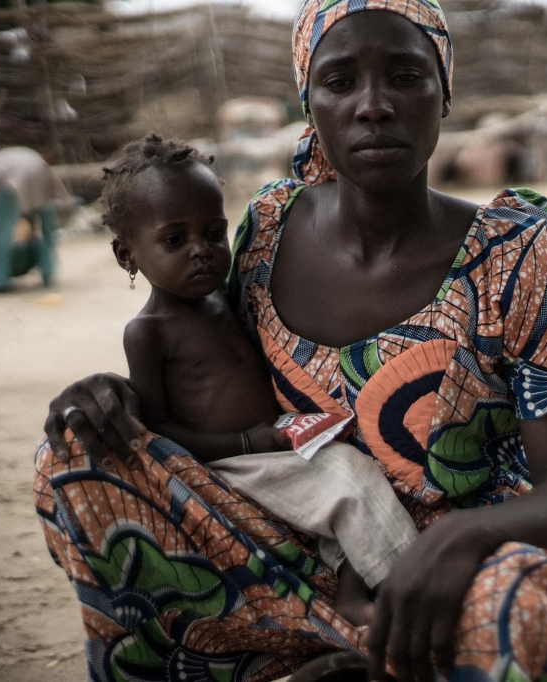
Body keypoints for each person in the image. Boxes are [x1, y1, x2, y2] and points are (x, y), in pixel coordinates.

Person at [36, 3, 547, 682]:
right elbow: (210, 372)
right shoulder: (268, 230)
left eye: (406, 76)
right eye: (340, 82)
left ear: (444, 92)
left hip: (434, 572)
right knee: (73, 456)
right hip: (275, 549)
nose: (373, 106)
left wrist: (463, 535)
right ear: (309, 103)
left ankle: (365, 658)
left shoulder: (516, 253)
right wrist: (113, 396)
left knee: (531, 618)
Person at [102, 132, 418, 624]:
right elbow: (157, 431)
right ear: (127, 255)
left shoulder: (228, 297)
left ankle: (355, 593)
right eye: (173, 240)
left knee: (358, 475)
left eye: (213, 233)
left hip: (273, 446)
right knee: (348, 478)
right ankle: (405, 588)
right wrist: (245, 442)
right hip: (231, 463)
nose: (201, 251)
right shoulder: (148, 333)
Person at [0, 146, 70, 291]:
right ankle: (48, 273)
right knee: (46, 227)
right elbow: (31, 209)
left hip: (15, 179)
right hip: (40, 168)